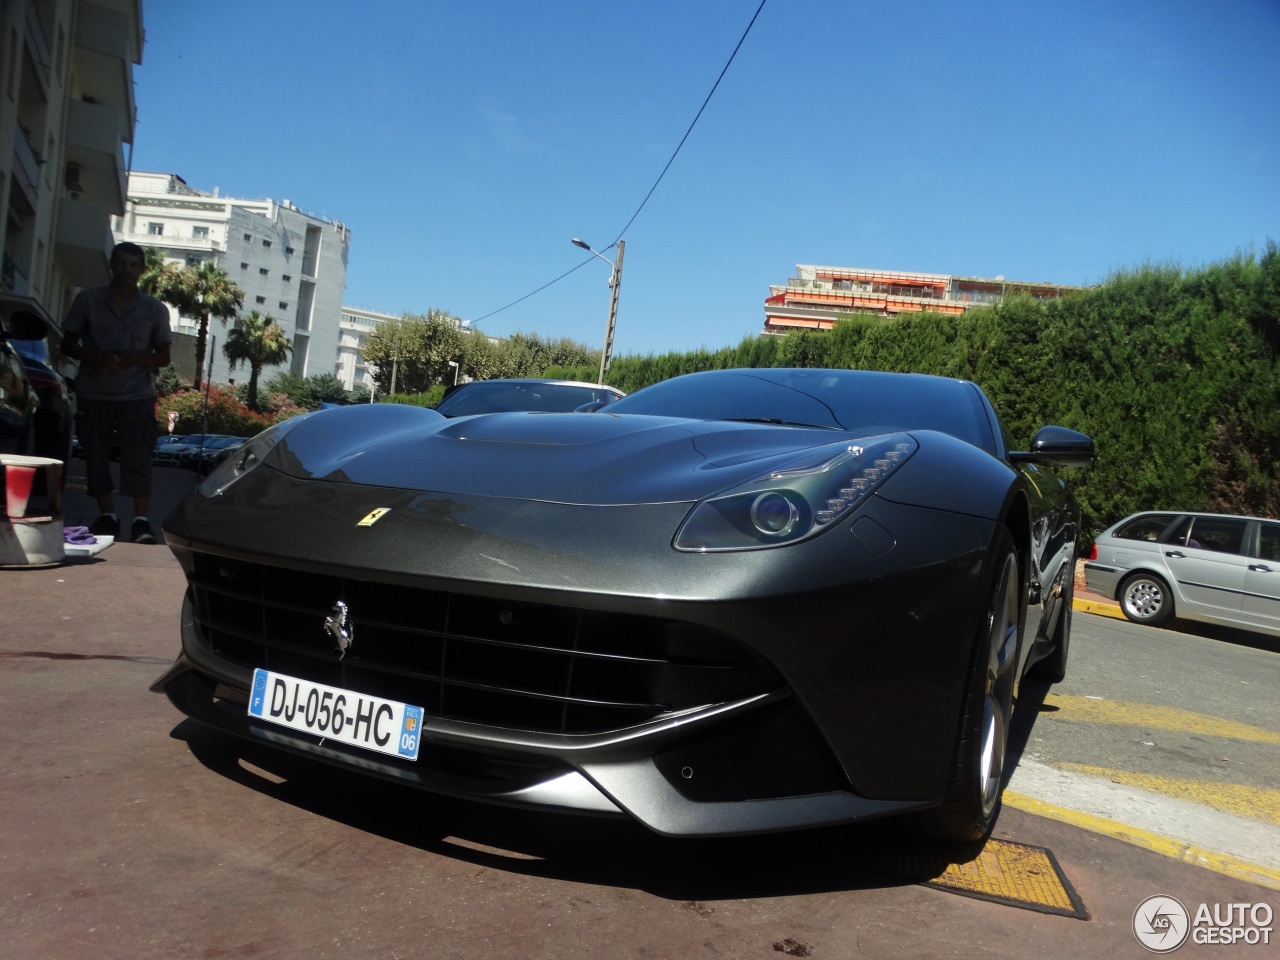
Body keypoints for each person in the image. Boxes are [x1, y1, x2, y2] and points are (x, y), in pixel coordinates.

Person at [60, 241, 172, 544]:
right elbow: (67, 343)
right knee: (95, 456)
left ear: (142, 270)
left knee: (138, 458)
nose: (126, 270)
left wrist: (136, 358)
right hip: (94, 393)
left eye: (133, 265)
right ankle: (107, 516)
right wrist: (92, 356)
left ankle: (141, 522)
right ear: (112, 265)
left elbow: (164, 356)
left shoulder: (154, 309)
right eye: (121, 263)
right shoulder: (87, 300)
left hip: (137, 396)